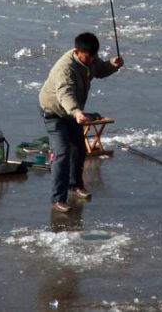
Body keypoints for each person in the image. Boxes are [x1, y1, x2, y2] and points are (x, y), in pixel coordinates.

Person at [39, 32, 123, 212]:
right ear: (78, 51)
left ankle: (75, 185)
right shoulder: (65, 69)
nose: (92, 59)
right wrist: (77, 112)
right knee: (62, 152)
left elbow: (100, 70)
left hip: (72, 114)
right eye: (88, 56)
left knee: (79, 148)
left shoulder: (90, 59)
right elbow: (65, 94)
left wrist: (113, 65)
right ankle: (57, 199)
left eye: (94, 56)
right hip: (54, 112)